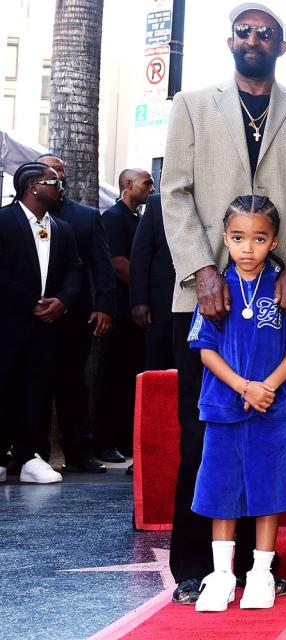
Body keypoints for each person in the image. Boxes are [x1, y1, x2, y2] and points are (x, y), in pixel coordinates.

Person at [160, 2, 286, 604]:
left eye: (266, 33)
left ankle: (262, 564)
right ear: (229, 41)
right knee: (201, 434)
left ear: (281, 47)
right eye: (244, 30)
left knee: (266, 436)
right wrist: (203, 269)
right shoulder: (191, 105)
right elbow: (174, 193)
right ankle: (195, 565)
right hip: (206, 293)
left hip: (276, 295)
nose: (253, 39)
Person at [188, 196, 286, 611]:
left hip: (273, 410)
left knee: (268, 487)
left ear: (274, 241)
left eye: (259, 239)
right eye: (238, 238)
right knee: (220, 488)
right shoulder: (214, 289)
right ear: (225, 238)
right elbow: (205, 349)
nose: (248, 248)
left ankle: (261, 572)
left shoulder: (285, 287)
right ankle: (221, 574)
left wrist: (269, 387)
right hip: (224, 408)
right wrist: (245, 387)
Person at [0, 163, 83, 483]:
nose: (60, 186)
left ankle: (28, 457)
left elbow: (76, 269)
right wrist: (29, 302)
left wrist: (62, 300)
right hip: (9, 323)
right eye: (54, 182)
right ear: (32, 186)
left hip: (48, 325)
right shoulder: (4, 221)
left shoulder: (62, 228)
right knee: (5, 386)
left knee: (38, 390)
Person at [37, 153, 115, 474]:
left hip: (76, 316)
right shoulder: (20, 217)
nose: (57, 176)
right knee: (34, 384)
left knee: (72, 384)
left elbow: (102, 264)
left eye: (60, 171)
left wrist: (104, 306)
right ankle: (32, 453)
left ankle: (78, 452)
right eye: (49, 171)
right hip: (32, 316)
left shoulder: (85, 217)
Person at [95, 168, 153, 464]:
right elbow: (117, 263)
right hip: (119, 309)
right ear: (128, 185)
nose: (151, 187)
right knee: (112, 376)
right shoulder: (113, 218)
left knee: (131, 375)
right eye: (146, 182)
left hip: (137, 313)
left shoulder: (139, 219)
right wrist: (146, 292)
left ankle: (124, 438)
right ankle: (104, 441)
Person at [130, 193, 176, 371]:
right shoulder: (157, 203)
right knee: (159, 367)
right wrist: (139, 300)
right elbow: (141, 255)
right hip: (162, 305)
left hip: (207, 307)